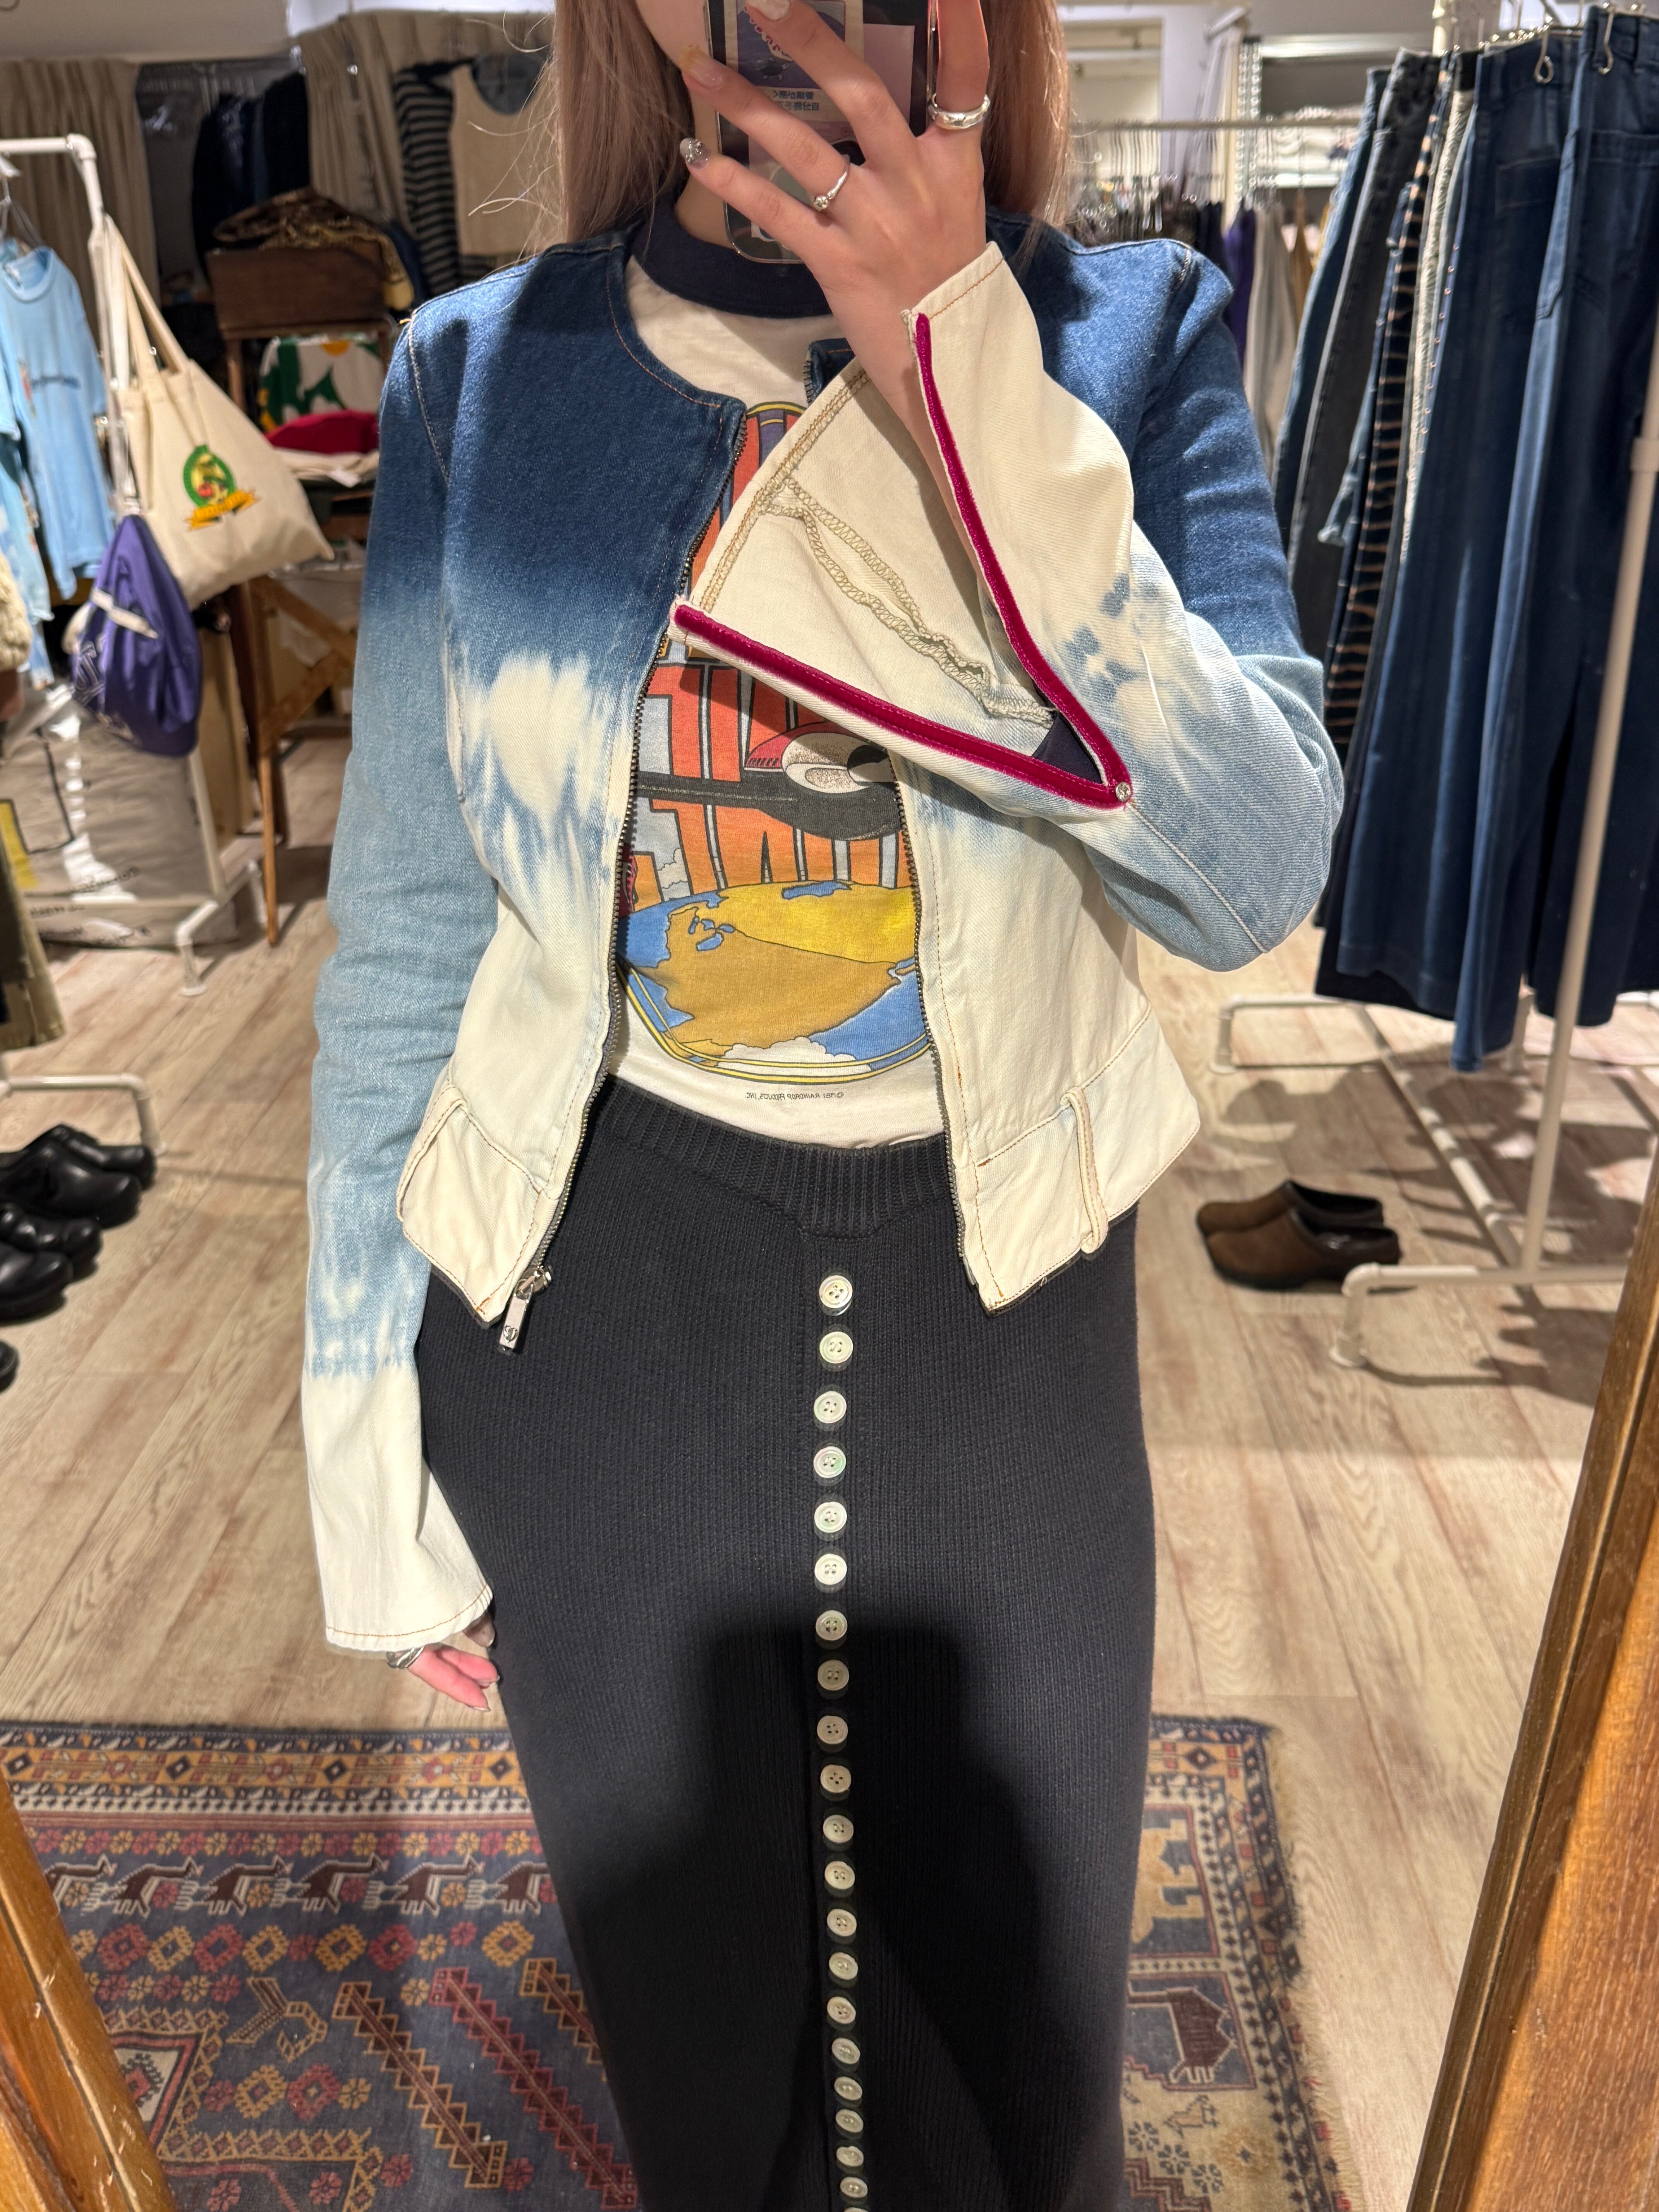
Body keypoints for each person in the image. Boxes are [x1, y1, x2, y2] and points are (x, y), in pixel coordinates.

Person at [302, 1, 1340, 2204]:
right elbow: (403, 936)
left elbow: (1254, 870)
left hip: (1003, 1322)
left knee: (1019, 2071)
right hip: (589, 1323)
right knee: (707, 2070)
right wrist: (368, 1447)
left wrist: (965, 374)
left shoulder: (1132, 342)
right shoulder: (485, 375)